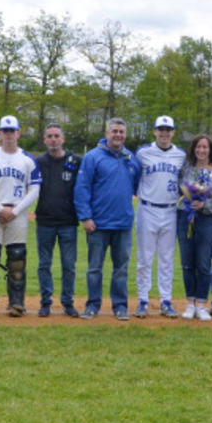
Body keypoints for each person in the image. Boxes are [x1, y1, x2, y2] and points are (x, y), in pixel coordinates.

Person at [0, 116, 41, 317]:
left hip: (17, 213)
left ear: (18, 133)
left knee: (17, 258)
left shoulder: (28, 160)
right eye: (5, 130)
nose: (9, 134)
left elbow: (34, 190)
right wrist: (0, 209)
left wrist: (15, 211)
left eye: (12, 131)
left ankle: (16, 303)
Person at [75, 118, 140, 320]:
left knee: (121, 269)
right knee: (95, 268)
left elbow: (136, 185)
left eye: (121, 131)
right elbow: (82, 188)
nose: (118, 135)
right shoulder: (93, 157)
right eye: (114, 131)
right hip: (98, 224)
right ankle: (93, 305)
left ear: (125, 135)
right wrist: (85, 217)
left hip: (123, 223)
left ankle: (120, 306)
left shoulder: (131, 158)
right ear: (107, 132)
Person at [134, 115, 187, 319]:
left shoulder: (180, 155)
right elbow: (133, 176)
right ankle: (143, 300)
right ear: (154, 131)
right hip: (147, 208)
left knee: (166, 258)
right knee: (144, 257)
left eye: (168, 130)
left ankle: (166, 300)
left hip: (170, 210)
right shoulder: (143, 153)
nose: (164, 133)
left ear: (173, 132)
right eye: (161, 129)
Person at [176, 134, 212, 321]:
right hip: (185, 217)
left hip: (208, 220)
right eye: (198, 147)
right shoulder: (185, 168)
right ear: (193, 149)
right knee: (187, 262)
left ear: (210, 150)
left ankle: (201, 304)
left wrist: (204, 205)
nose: (201, 150)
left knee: (204, 264)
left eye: (205, 147)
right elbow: (178, 189)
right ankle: (190, 303)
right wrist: (189, 200)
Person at [34, 123, 82, 318]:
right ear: (45, 140)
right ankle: (46, 302)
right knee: (44, 264)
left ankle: (68, 302)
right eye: (49, 136)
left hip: (68, 222)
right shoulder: (38, 162)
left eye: (56, 136)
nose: (53, 139)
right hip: (44, 222)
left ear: (63, 139)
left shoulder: (76, 161)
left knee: (68, 265)